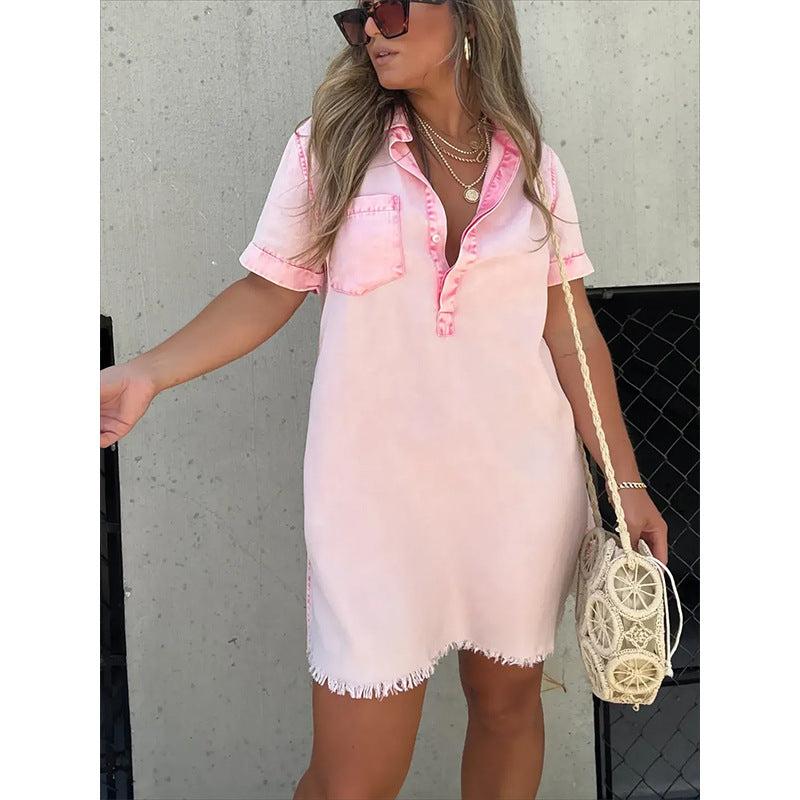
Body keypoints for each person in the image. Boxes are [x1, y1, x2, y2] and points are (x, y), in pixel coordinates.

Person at [100, 1, 669, 797]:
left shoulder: (533, 163)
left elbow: (570, 332)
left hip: (519, 491)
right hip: (373, 502)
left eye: (394, 9)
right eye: (360, 16)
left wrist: (627, 482)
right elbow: (268, 291)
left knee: (507, 710)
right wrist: (147, 372)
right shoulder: (329, 148)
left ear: (468, 16)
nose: (372, 29)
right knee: (351, 779)